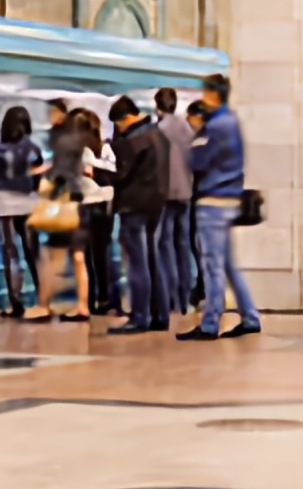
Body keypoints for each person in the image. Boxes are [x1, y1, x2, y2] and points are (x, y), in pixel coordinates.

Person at [180, 74, 259, 339]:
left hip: (212, 200)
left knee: (212, 263)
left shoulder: (215, 126)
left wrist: (194, 144)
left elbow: (197, 161)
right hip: (229, 199)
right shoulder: (232, 121)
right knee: (227, 264)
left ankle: (210, 322)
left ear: (213, 95)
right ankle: (250, 316)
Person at [103, 92, 165, 331]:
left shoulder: (132, 141)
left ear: (127, 117)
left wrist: (96, 172)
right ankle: (159, 316)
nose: (118, 128)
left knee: (137, 263)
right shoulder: (158, 134)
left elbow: (120, 175)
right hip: (156, 204)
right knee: (153, 259)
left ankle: (140, 316)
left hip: (133, 206)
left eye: (118, 123)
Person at [23, 132, 92, 323]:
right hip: (80, 210)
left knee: (51, 258)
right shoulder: (83, 156)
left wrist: (48, 183)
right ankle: (82, 305)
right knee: (78, 257)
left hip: (65, 212)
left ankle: (43, 305)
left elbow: (56, 182)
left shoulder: (63, 165)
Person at [144, 87, 192, 331]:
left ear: (157, 106)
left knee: (162, 245)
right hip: (185, 192)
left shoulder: (158, 131)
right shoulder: (187, 129)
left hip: (163, 193)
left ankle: (170, 297)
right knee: (181, 245)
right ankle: (185, 298)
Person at [0, 104, 44, 320]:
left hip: (4, 205)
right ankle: (43, 300)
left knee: (11, 253)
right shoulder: (34, 149)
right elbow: (38, 180)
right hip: (29, 205)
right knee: (34, 254)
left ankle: (16, 303)